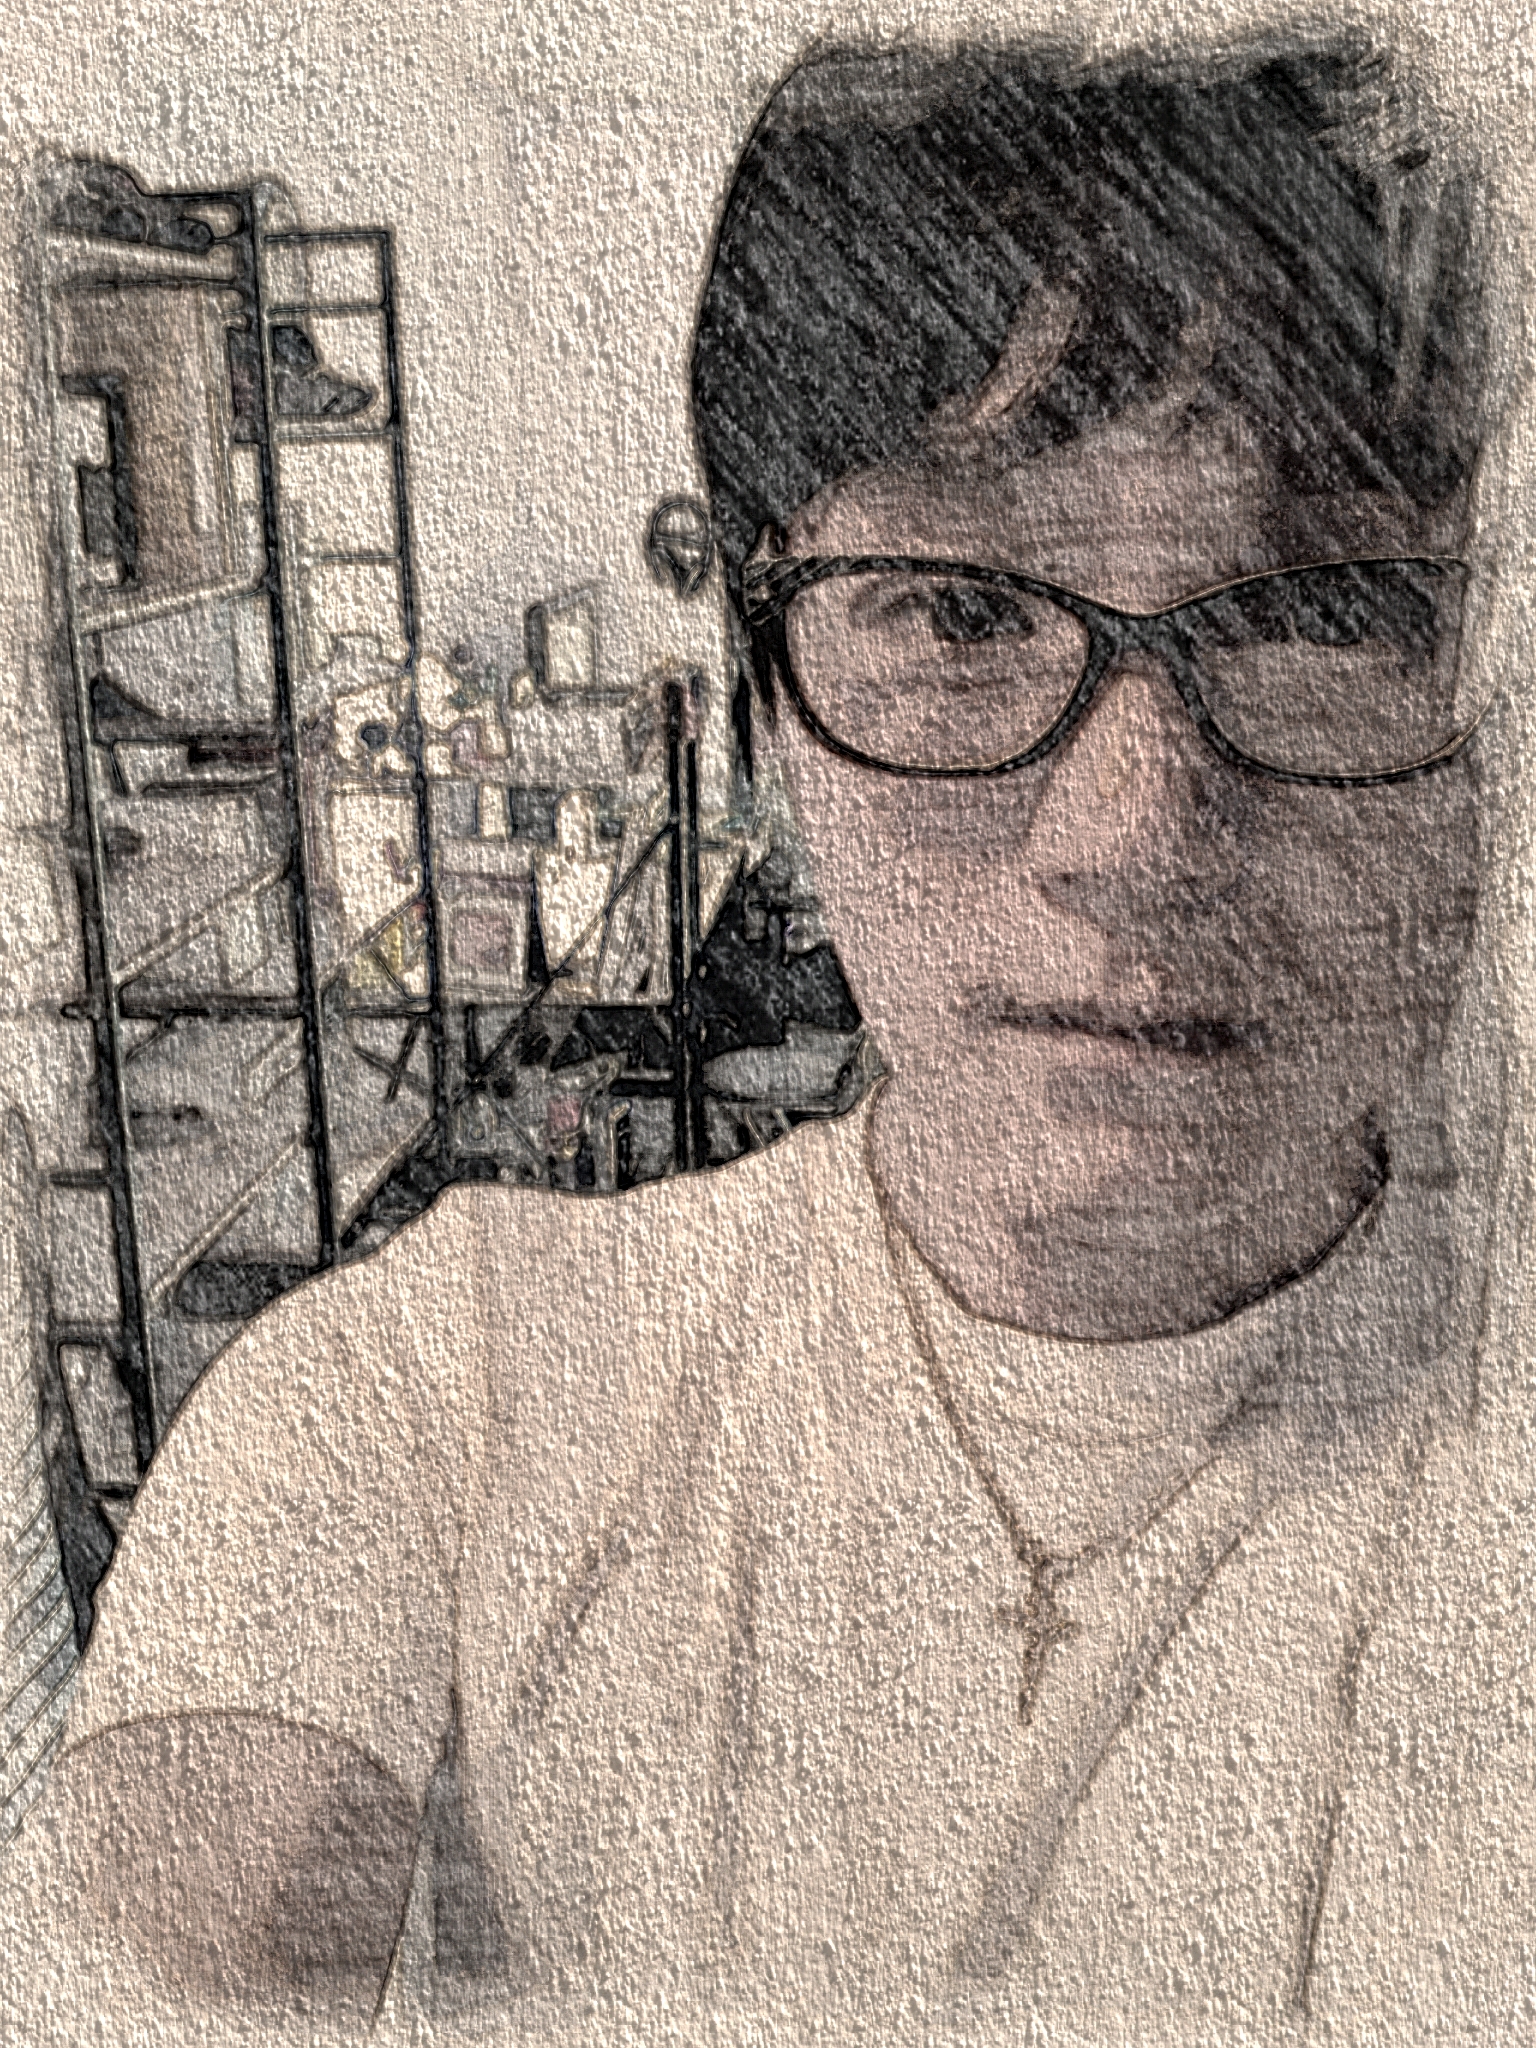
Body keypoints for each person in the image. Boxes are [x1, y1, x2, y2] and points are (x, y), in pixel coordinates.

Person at [4, 35, 1532, 2046]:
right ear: (763, 709)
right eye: (958, 617)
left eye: (1324, 612)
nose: (1136, 835)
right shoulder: (431, 1402)